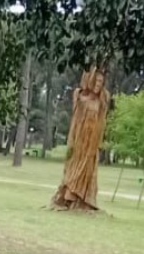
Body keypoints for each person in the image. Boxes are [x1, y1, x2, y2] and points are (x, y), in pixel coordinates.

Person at [52, 68, 110, 211]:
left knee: (87, 168)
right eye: (96, 81)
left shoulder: (101, 101)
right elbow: (76, 121)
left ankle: (84, 198)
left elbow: (102, 120)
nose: (98, 84)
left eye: (101, 82)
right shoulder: (80, 98)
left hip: (91, 144)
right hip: (79, 142)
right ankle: (69, 196)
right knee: (74, 166)